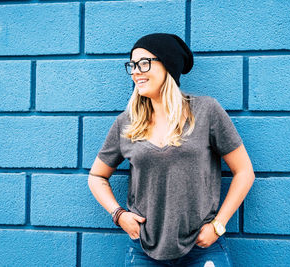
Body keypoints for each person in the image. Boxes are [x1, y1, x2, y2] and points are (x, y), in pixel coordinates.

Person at [88, 33, 255, 267]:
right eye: (132, 65)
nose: (135, 71)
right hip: (144, 251)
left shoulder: (206, 111)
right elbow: (96, 176)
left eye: (144, 63)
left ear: (168, 65)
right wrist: (119, 215)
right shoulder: (126, 122)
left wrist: (218, 225)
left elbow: (245, 172)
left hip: (202, 248)